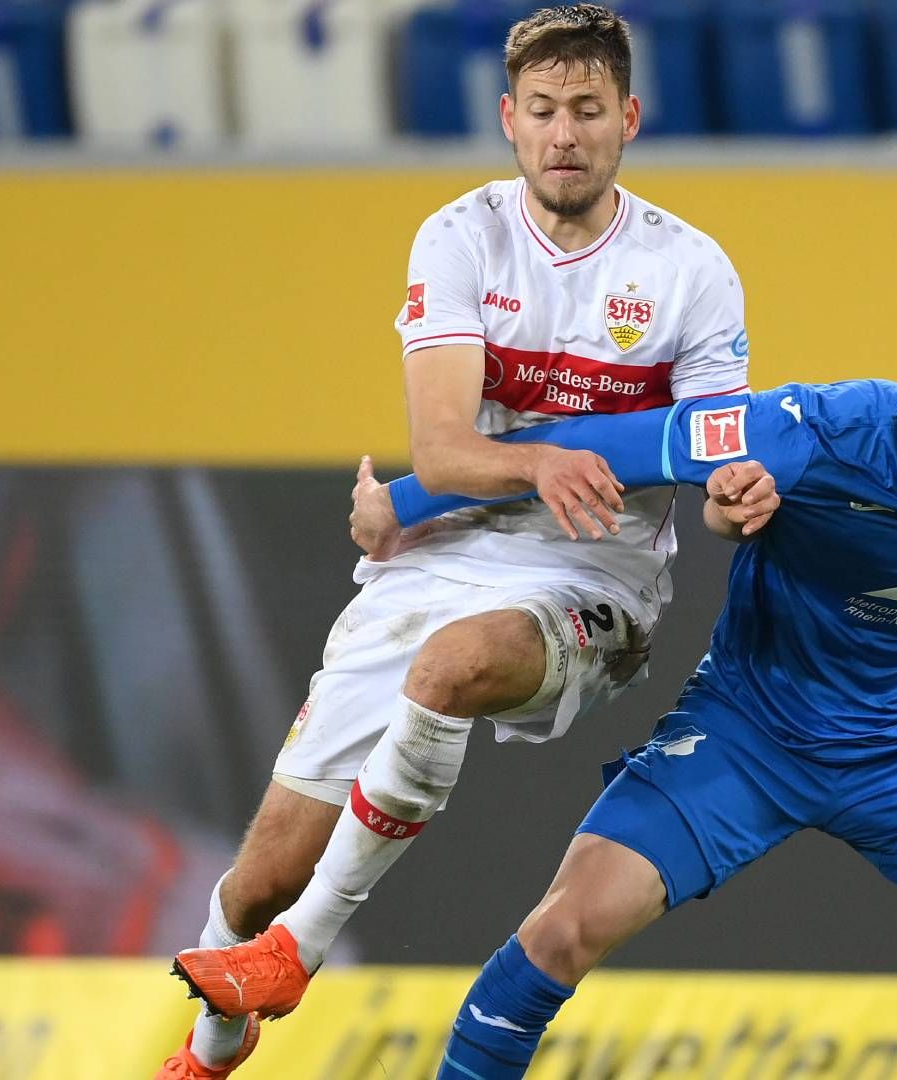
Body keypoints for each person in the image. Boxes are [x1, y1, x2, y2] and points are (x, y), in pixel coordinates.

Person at [208, 317, 897, 1079]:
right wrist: (403, 503)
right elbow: (604, 445)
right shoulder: (800, 434)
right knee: (561, 933)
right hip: (750, 735)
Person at [159, 6, 754, 1076]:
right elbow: (440, 447)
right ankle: (207, 1049)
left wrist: (732, 502)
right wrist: (529, 464)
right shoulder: (460, 235)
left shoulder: (691, 271)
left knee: (454, 666)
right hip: (441, 556)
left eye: (584, 110)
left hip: (593, 577)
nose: (563, 134)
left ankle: (299, 956)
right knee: (253, 885)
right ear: (507, 121)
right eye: (541, 111)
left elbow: (714, 466)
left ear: (628, 118)